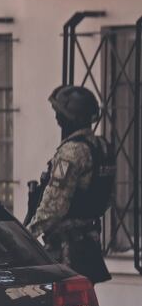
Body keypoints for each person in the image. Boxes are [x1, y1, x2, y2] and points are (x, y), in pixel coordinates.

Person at [26, 85, 114, 284]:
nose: (57, 118)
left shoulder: (72, 151)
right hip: (88, 240)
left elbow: (55, 205)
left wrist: (27, 237)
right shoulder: (102, 147)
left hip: (67, 248)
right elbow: (107, 198)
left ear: (69, 117)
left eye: (60, 114)